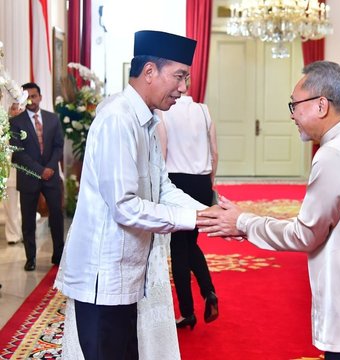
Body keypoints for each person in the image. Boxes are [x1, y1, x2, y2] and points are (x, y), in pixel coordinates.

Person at [197, 61, 340, 359]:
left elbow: (305, 234)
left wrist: (243, 222)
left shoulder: (335, 154)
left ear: (321, 105)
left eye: (295, 104)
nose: (292, 115)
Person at [54, 30, 212, 360]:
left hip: (125, 279)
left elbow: (161, 187)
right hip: (104, 279)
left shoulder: (147, 120)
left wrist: (208, 215)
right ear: (150, 71)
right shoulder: (117, 120)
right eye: (179, 76)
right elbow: (124, 206)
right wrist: (195, 217)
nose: (183, 88)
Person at [156, 91, 219, 330]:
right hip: (202, 182)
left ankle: (187, 313)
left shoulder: (164, 111)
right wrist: (210, 182)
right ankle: (208, 291)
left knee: (179, 248)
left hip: (176, 183)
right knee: (190, 243)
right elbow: (215, 152)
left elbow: (162, 152)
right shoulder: (204, 110)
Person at [9, 83, 64, 271]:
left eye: (34, 96)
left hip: (51, 177)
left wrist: (49, 168)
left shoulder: (53, 119)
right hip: (29, 178)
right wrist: (40, 170)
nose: (32, 100)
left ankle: (58, 254)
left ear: (40, 97)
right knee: (28, 221)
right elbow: (18, 153)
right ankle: (30, 258)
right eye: (28, 97)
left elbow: (58, 146)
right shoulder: (16, 122)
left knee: (56, 215)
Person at [3, 102, 23, 245]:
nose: (16, 111)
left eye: (19, 109)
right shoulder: (4, 125)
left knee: (22, 205)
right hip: (8, 169)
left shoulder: (25, 126)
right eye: (14, 109)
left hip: (24, 169)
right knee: (10, 203)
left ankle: (22, 231)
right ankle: (13, 235)